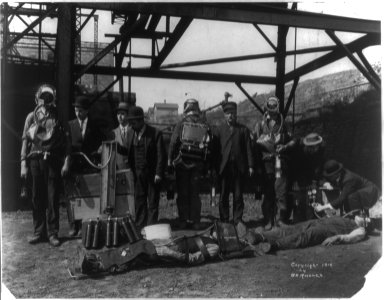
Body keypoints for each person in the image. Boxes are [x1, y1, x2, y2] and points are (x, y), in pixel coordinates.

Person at [20, 84, 71, 247]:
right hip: (35, 160)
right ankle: (38, 231)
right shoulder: (31, 117)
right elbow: (25, 140)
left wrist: (67, 160)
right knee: (36, 196)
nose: (45, 101)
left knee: (52, 196)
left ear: (52, 99)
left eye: (49, 97)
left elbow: (67, 140)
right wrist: (23, 162)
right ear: (37, 98)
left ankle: (52, 233)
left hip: (53, 160)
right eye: (43, 97)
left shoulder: (57, 116)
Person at [168, 98, 213, 230]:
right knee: (195, 194)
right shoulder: (204, 124)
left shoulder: (181, 123)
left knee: (182, 193)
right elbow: (209, 145)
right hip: (197, 165)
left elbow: (173, 142)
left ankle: (183, 220)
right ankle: (196, 221)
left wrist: (170, 160)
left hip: (182, 164)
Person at [253, 96, 295, 229]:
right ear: (266, 108)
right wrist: (262, 141)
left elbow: (293, 140)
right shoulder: (260, 124)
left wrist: (285, 145)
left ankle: (280, 219)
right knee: (268, 191)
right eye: (269, 108)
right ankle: (268, 219)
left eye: (274, 107)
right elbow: (253, 141)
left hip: (280, 162)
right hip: (266, 163)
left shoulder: (284, 124)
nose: (272, 112)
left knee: (281, 190)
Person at [67, 95, 104, 237]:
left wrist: (98, 152)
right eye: (76, 110)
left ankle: (84, 225)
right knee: (73, 197)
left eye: (81, 110)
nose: (78, 113)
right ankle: (73, 226)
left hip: (89, 165)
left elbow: (102, 141)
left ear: (87, 111)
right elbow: (68, 146)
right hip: (74, 166)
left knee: (88, 196)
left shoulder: (94, 126)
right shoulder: (71, 125)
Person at [125, 106, 166, 230]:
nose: (131, 125)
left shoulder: (155, 133)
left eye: (134, 122)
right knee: (139, 199)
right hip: (137, 173)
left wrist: (159, 173)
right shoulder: (131, 133)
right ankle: (140, 225)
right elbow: (128, 151)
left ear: (141, 120)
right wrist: (115, 147)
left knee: (152, 201)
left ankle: (151, 227)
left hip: (152, 174)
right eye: (130, 122)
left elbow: (161, 155)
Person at [245, 212, 370, 251]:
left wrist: (337, 238)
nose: (363, 218)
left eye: (366, 219)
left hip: (327, 231)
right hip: (319, 222)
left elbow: (350, 238)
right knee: (291, 229)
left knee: (303, 236)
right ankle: (260, 236)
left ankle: (274, 245)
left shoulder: (361, 230)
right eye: (363, 216)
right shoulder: (350, 217)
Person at [214, 101, 254, 225]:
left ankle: (237, 219)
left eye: (233, 113)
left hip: (238, 167)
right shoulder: (219, 130)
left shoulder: (243, 130)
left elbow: (248, 149)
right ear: (224, 115)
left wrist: (251, 165)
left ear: (236, 114)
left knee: (238, 196)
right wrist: (215, 167)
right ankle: (224, 220)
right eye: (228, 113)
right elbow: (215, 150)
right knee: (224, 195)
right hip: (224, 168)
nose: (230, 116)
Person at [315, 160, 380, 215]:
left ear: (337, 174)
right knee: (350, 199)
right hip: (355, 191)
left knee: (351, 198)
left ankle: (357, 218)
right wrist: (326, 183)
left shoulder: (349, 179)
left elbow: (342, 198)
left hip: (368, 191)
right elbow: (322, 179)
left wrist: (323, 207)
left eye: (330, 176)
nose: (329, 178)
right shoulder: (334, 174)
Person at [290, 133, 326, 221]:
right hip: (299, 175)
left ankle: (312, 217)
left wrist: (314, 180)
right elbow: (295, 168)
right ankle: (299, 218)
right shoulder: (299, 151)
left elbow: (319, 165)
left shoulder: (321, 149)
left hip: (313, 173)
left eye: (316, 147)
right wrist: (297, 181)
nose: (315, 149)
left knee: (313, 196)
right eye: (312, 147)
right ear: (308, 146)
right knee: (299, 198)